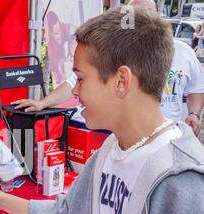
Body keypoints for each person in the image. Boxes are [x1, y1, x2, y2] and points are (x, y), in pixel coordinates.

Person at [0, 6, 204, 214]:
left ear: (121, 82)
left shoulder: (187, 183)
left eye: (80, 78)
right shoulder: (108, 153)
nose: (75, 91)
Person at [12, 0, 204, 138]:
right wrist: (43, 103)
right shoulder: (115, 54)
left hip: (171, 136)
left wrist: (194, 114)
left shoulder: (183, 52)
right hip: (128, 137)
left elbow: (196, 87)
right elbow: (73, 82)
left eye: (147, 17)